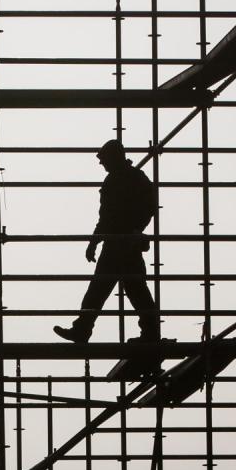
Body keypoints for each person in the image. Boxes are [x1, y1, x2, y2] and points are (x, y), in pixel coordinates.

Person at [54, 139, 160, 343]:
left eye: (104, 160)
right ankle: (150, 333)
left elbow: (108, 217)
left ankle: (82, 330)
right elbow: (141, 209)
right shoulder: (131, 179)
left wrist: (96, 241)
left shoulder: (121, 180)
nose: (102, 164)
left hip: (119, 244)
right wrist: (98, 240)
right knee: (134, 291)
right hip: (123, 243)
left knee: (102, 290)